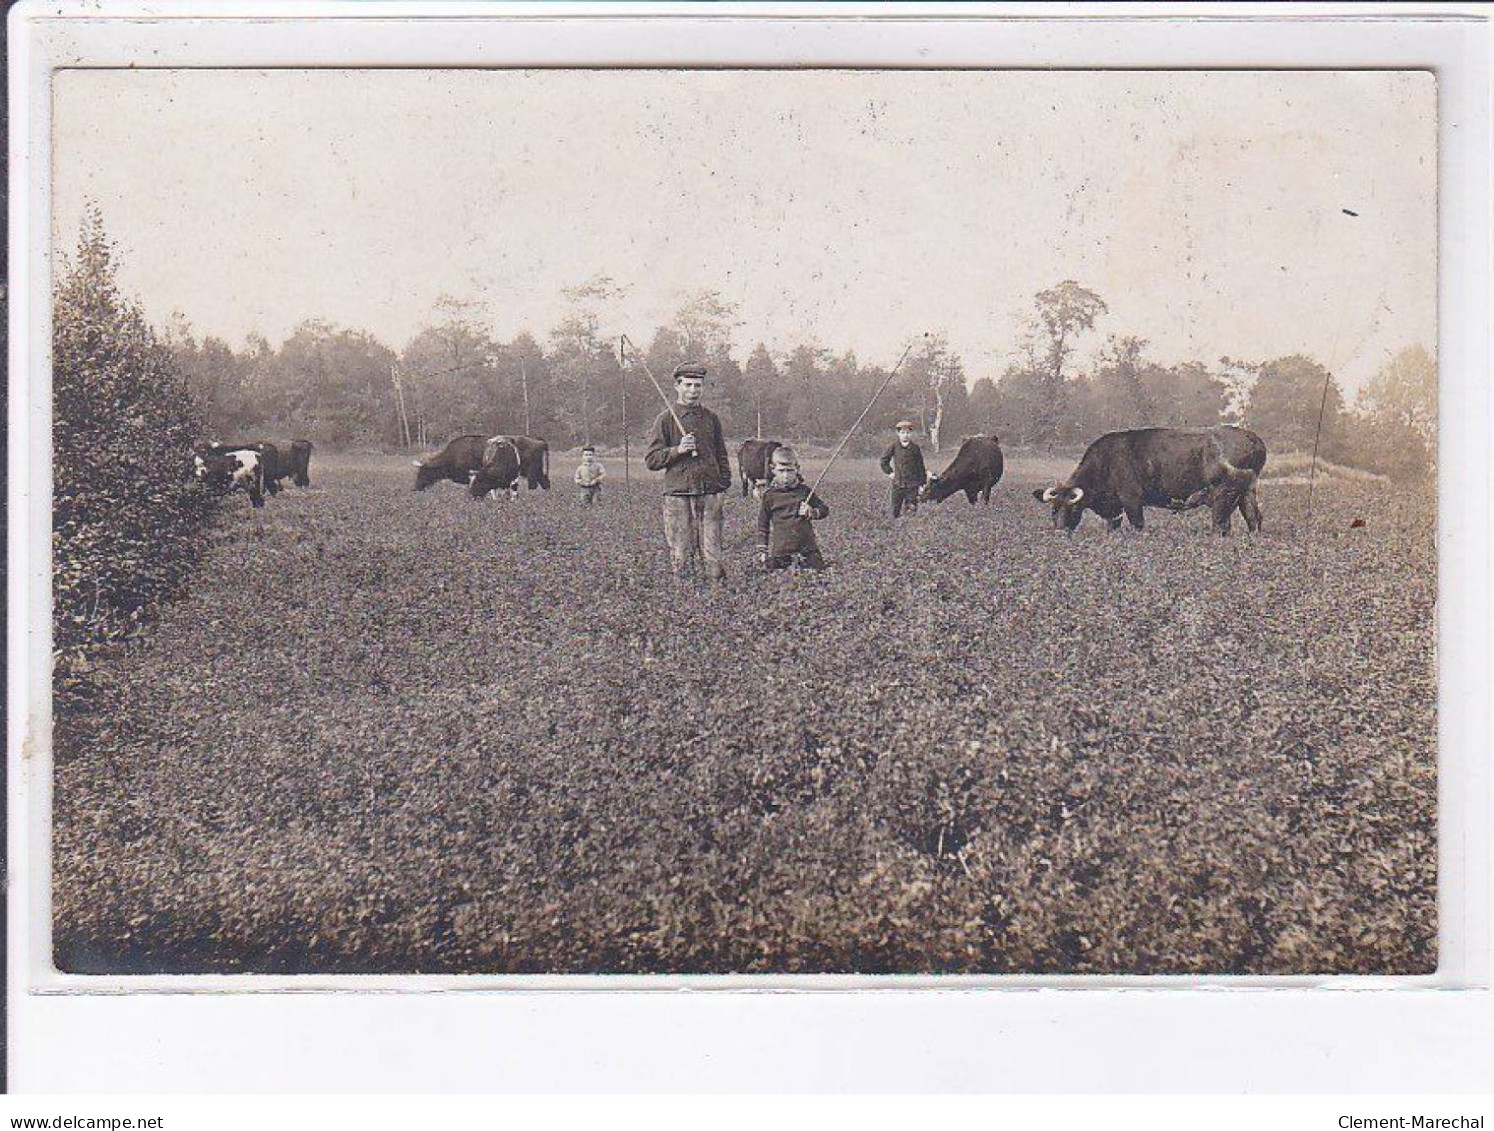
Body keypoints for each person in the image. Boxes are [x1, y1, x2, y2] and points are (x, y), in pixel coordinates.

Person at [644, 361, 732, 583]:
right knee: (681, 553)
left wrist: (723, 484)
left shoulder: (711, 418)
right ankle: (684, 602)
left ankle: (716, 599)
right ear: (677, 386)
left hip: (710, 493)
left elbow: (721, 454)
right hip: (678, 495)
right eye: (688, 385)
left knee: (713, 552)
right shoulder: (664, 419)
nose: (693, 391)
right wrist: (678, 450)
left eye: (698, 386)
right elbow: (652, 460)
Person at [756, 446, 830, 571]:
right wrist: (762, 550)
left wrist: (811, 512)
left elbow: (824, 510)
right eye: (781, 470)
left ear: (797, 469)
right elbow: (763, 525)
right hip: (781, 551)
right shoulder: (769, 496)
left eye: (790, 471)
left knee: (819, 575)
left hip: (807, 550)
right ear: (773, 469)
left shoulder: (805, 492)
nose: (786, 475)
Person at [880, 419, 928, 518]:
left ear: (911, 433)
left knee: (911, 509)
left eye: (907, 432)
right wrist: (890, 473)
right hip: (898, 484)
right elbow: (884, 460)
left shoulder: (915, 448)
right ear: (898, 433)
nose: (905, 435)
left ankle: (909, 528)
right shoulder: (894, 446)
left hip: (913, 485)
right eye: (902, 432)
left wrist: (922, 484)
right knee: (895, 510)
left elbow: (920, 466)